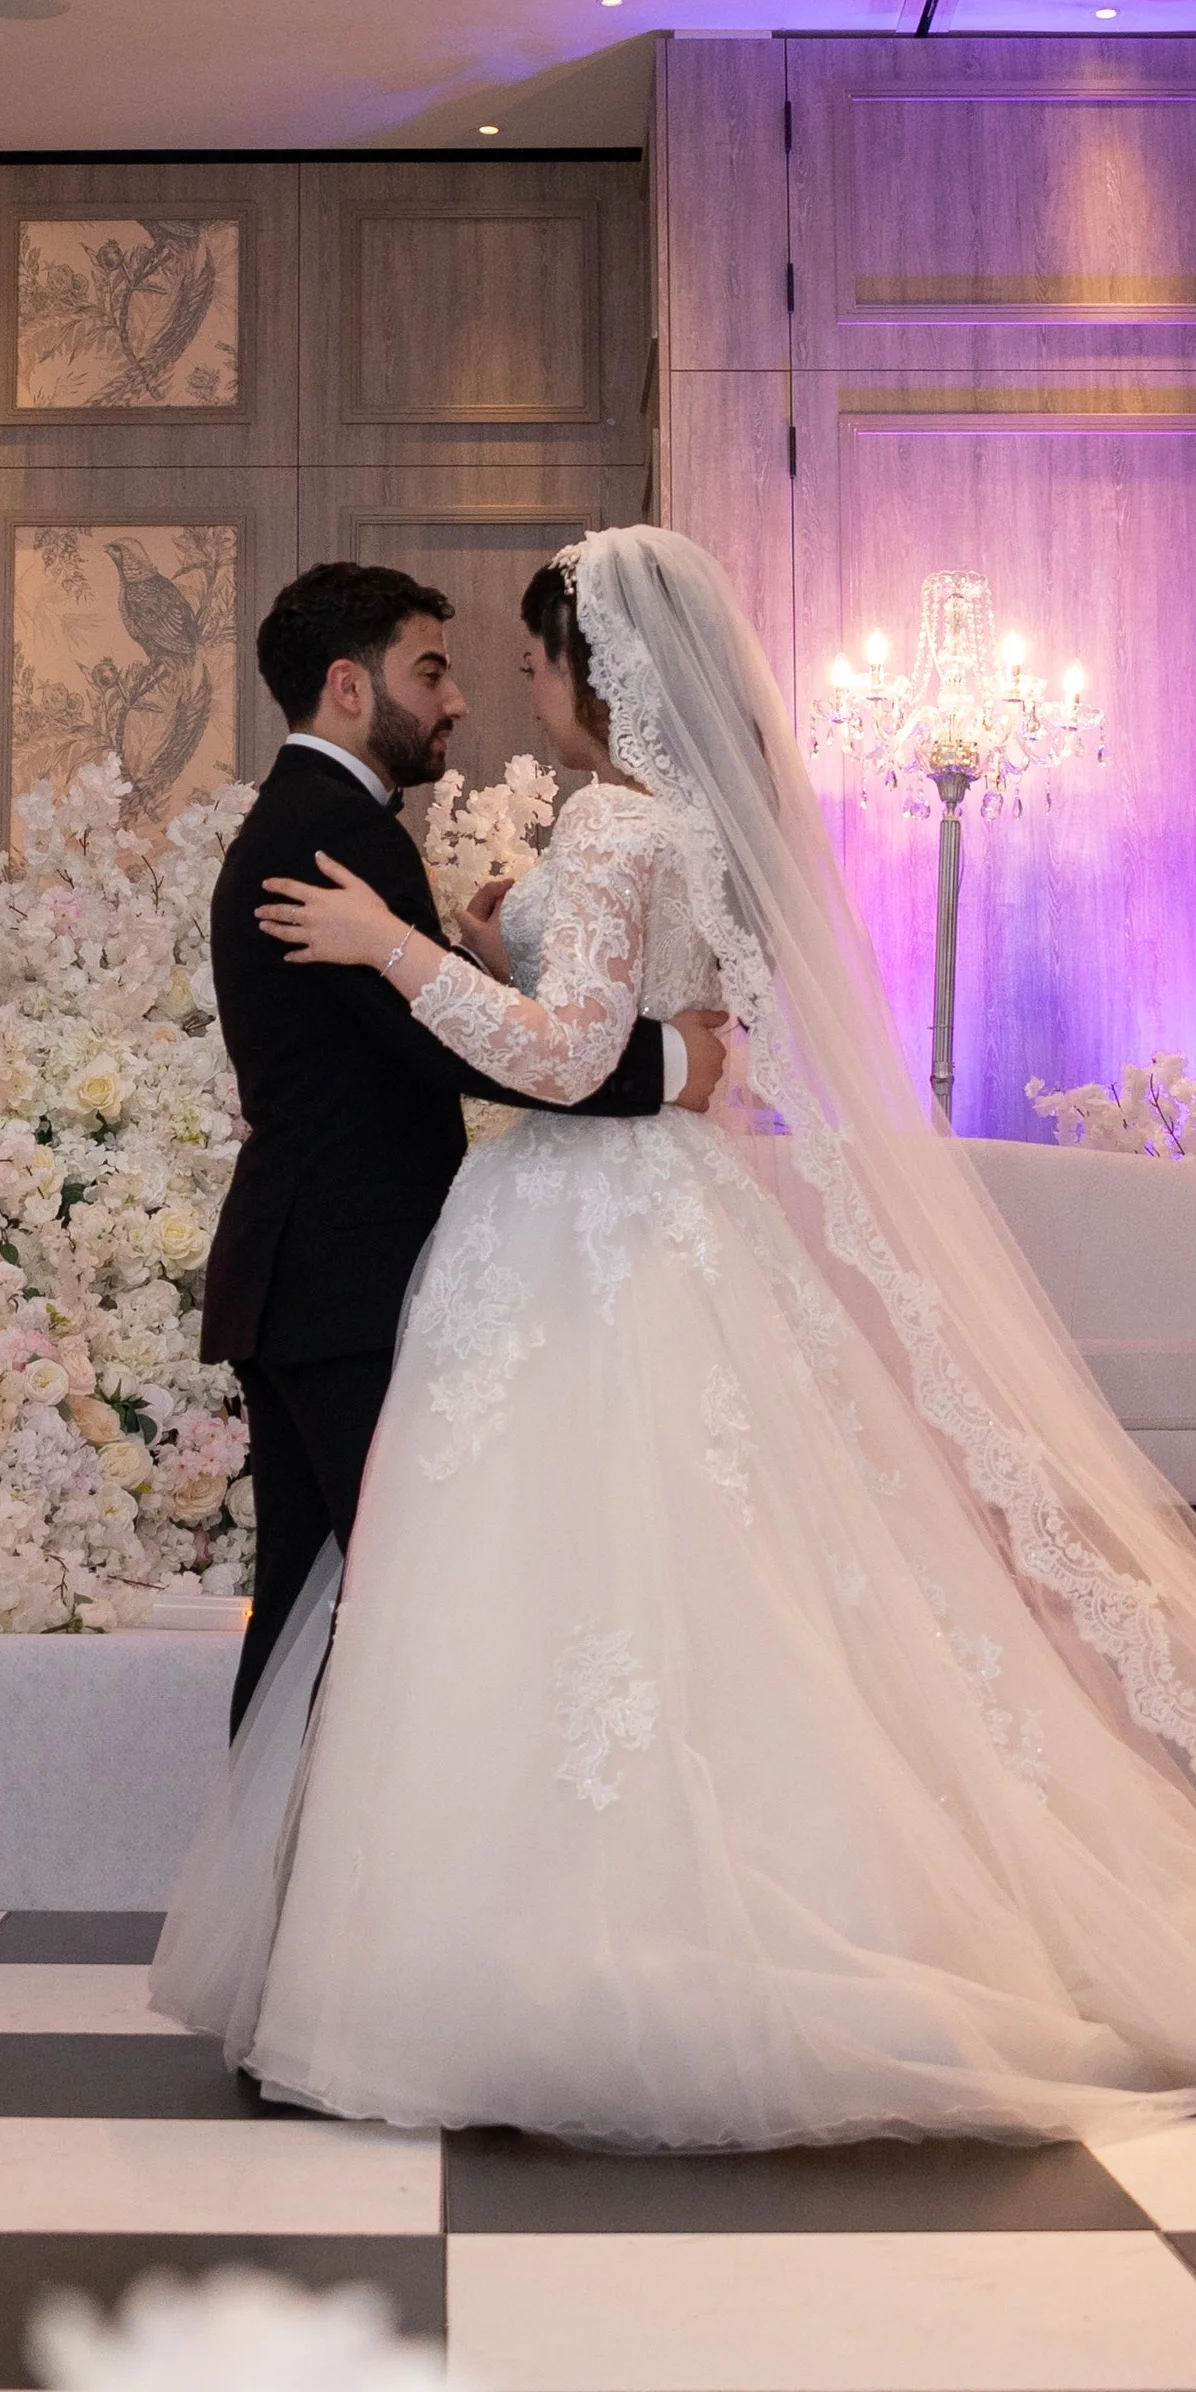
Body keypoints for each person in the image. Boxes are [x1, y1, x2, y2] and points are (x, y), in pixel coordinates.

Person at [156, 526, 1196, 2146]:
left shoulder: (610, 829)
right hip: (623, 1229)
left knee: (589, 1578)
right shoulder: (644, 827)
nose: (502, 693)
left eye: (525, 661)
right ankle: (556, 1922)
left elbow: (569, 1047)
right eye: (467, 668)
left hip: (584, 1234)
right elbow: (649, 1034)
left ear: (598, 674)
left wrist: (425, 952)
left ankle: (521, 1937)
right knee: (670, 1579)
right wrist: (593, 1005)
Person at [202, 559, 727, 1721]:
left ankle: (291, 1889)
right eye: (430, 670)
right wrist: (674, 1066)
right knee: (391, 1600)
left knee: (314, 1605)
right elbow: (445, 1050)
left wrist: (475, 964)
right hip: (344, 1274)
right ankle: (326, 1886)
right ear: (349, 687)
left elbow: (440, 1035)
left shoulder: (317, 819)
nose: (459, 701)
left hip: (314, 1273)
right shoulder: (333, 834)